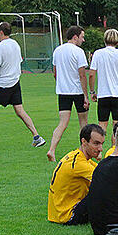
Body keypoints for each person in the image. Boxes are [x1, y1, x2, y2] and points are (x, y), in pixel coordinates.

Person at [0, 21, 45, 148]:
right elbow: (17, 61)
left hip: (3, 83)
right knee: (19, 110)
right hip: (15, 82)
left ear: (1, 32)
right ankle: (37, 137)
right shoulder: (15, 44)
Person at [47, 25, 90, 162]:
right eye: (82, 37)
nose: (83, 40)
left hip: (63, 92)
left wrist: (62, 84)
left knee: (62, 123)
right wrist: (86, 96)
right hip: (77, 92)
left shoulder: (57, 50)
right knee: (83, 123)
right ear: (75, 37)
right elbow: (82, 75)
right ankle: (84, 152)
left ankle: (52, 150)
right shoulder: (78, 52)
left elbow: (55, 73)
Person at [47, 124, 105, 225]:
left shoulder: (78, 157)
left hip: (59, 213)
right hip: (68, 215)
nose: (101, 149)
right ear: (84, 142)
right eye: (96, 143)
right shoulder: (78, 163)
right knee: (105, 189)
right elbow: (107, 180)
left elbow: (103, 171)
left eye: (102, 144)